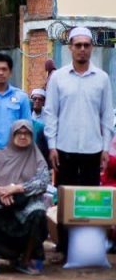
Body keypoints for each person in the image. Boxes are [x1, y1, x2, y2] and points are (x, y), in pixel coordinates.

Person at [43, 27, 114, 260]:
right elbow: (51, 113)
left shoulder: (102, 79)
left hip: (93, 149)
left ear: (91, 48)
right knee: (64, 198)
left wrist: (105, 148)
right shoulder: (58, 78)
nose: (82, 49)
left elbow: (106, 116)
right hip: (64, 148)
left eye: (86, 45)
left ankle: (88, 245)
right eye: (78, 45)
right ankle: (64, 246)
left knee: (89, 198)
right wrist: (52, 146)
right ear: (70, 47)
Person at [0, 120, 49, 275]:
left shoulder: (38, 158)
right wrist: (0, 190)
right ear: (12, 135)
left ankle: (26, 260)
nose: (22, 136)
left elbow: (43, 182)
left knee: (38, 213)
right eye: (19, 133)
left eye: (27, 133)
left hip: (26, 202)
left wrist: (16, 188)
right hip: (0, 201)